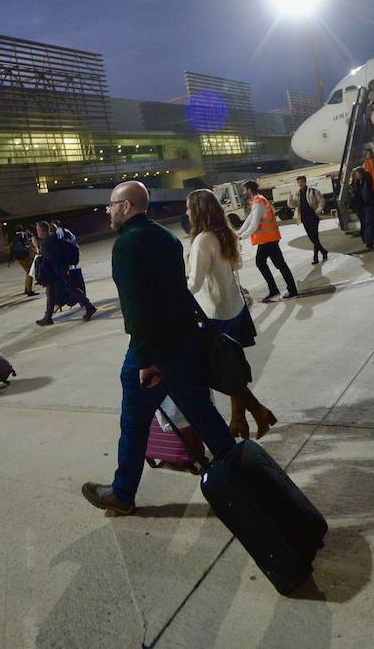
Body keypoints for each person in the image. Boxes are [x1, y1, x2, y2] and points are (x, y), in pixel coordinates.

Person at [80, 181, 236, 516]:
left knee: (134, 421)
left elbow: (135, 308)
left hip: (151, 347)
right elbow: (179, 293)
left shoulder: (126, 245)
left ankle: (122, 494)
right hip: (183, 340)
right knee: (201, 411)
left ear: (126, 206)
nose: (108, 210)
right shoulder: (166, 238)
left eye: (111, 204)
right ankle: (241, 472)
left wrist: (146, 359)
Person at [185, 189, 278, 440]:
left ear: (198, 211)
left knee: (221, 373)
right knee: (232, 367)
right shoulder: (226, 233)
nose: (186, 212)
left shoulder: (203, 240)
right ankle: (239, 420)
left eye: (189, 208)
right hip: (235, 308)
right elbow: (236, 267)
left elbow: (193, 283)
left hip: (215, 312)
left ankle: (258, 411)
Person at [237, 180, 297, 302]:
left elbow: (254, 224)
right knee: (278, 264)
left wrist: (241, 237)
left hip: (268, 240)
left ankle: (281, 289)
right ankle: (284, 289)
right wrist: (239, 232)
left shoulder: (258, 202)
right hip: (269, 239)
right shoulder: (258, 200)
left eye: (244, 190)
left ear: (249, 190)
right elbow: (249, 220)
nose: (243, 192)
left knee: (263, 263)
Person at [35, 220, 97, 326]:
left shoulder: (46, 242)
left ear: (41, 230)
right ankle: (48, 317)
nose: (37, 232)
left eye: (37, 230)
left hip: (55, 272)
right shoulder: (54, 238)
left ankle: (89, 306)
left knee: (69, 289)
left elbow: (49, 258)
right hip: (61, 269)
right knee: (52, 292)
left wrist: (40, 261)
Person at [287, 175, 328, 265]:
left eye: (302, 182)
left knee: (314, 237)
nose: (300, 184)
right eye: (299, 182)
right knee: (312, 237)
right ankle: (323, 251)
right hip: (304, 218)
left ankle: (316, 257)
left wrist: (318, 211)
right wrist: (290, 198)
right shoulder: (297, 193)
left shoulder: (313, 191)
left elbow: (321, 201)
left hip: (313, 216)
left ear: (305, 182)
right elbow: (292, 205)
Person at [349, 168, 374, 250]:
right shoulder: (355, 183)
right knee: (364, 223)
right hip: (359, 206)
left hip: (368, 204)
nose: (357, 176)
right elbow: (354, 194)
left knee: (369, 222)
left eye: (358, 174)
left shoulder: (367, 181)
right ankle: (369, 239)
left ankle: (369, 241)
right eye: (356, 174)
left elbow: (369, 182)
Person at [11, 225, 38, 296]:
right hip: (25, 255)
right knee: (30, 272)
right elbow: (27, 245)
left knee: (27, 271)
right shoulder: (23, 234)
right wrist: (35, 252)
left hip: (19, 257)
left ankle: (26, 288)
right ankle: (29, 290)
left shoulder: (14, 237)